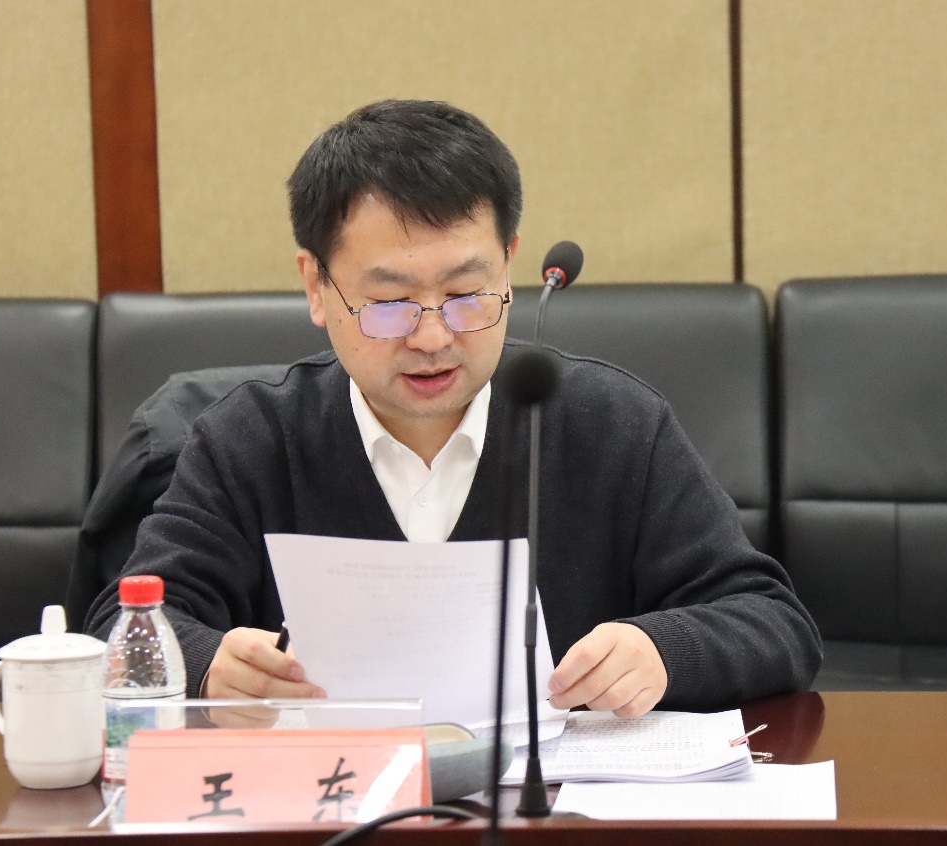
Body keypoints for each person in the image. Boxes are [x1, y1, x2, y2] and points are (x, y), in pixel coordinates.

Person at [84, 99, 821, 717]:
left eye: (468, 294)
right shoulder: (251, 438)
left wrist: (662, 652)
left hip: (554, 810)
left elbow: (773, 621)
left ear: (510, 262)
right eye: (390, 303)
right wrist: (207, 663)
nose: (433, 337)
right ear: (315, 286)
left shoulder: (611, 425)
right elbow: (121, 627)